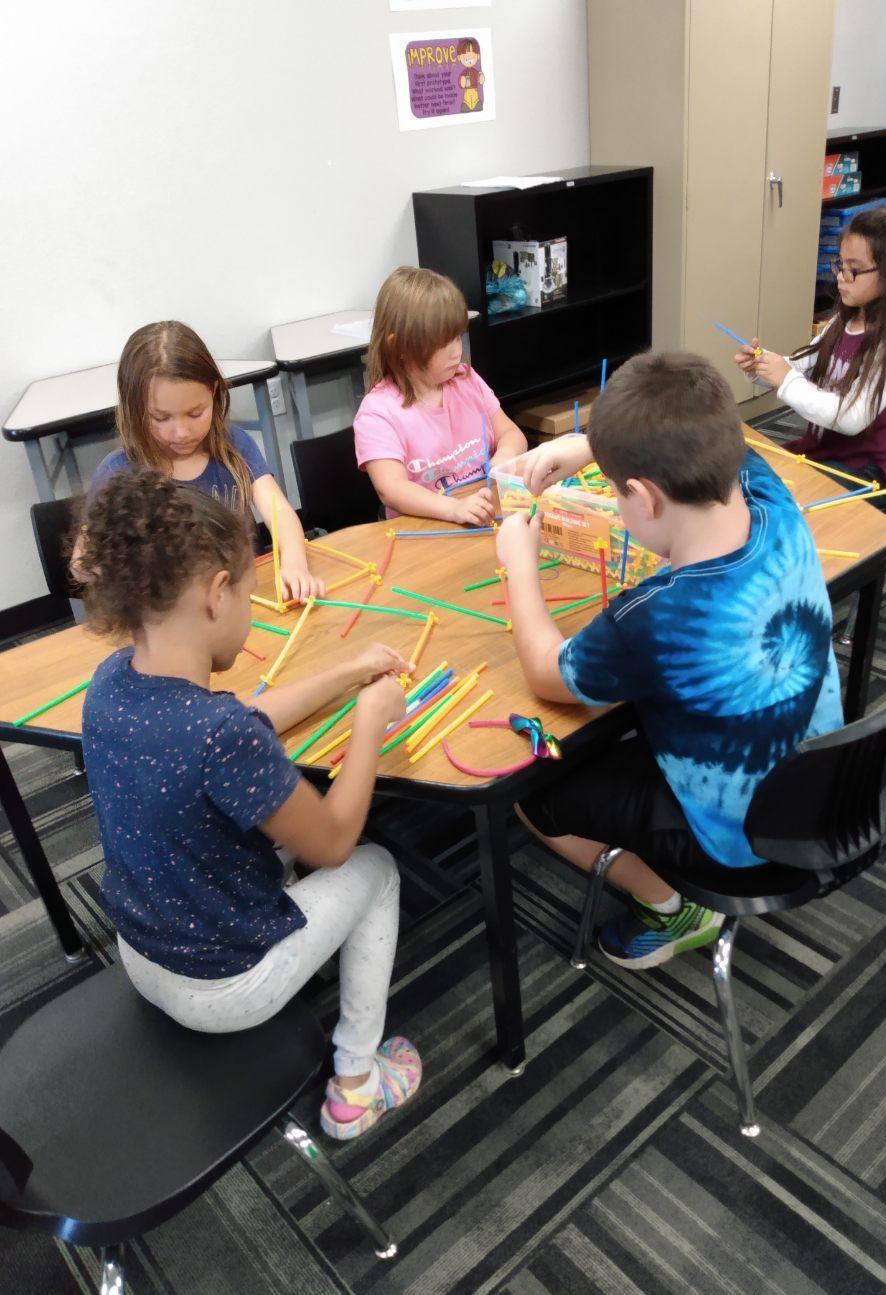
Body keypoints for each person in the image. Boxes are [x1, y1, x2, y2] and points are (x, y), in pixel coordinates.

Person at [76, 468, 420, 1139]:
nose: (251, 612)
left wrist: (346, 674)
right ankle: (355, 1082)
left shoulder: (112, 681)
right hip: (224, 988)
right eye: (250, 596)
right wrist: (368, 722)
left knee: (270, 830)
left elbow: (243, 715)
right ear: (214, 593)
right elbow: (334, 842)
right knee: (375, 867)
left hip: (140, 954)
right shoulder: (219, 736)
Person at [496, 351, 843, 969]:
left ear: (644, 499)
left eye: (614, 491)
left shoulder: (656, 617)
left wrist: (519, 567)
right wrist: (590, 447)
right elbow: (745, 445)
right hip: (823, 791)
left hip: (741, 845)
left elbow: (545, 672)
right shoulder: (775, 506)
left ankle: (672, 905)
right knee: (623, 722)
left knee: (527, 784)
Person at [89, 320, 322, 601]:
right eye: (161, 418)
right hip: (172, 616)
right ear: (134, 407)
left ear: (213, 391)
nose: (182, 432)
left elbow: (279, 511)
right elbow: (87, 561)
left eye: (196, 413)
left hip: (241, 599)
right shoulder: (119, 472)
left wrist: (295, 564)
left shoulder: (233, 445)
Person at [734, 206, 886, 487]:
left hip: (863, 469)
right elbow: (799, 366)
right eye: (840, 264)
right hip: (820, 454)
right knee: (737, 472)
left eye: (854, 270)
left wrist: (785, 379)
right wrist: (764, 365)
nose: (840, 276)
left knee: (770, 494)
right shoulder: (842, 322)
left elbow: (852, 418)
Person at [354, 266, 527, 523]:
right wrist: (453, 509)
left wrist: (504, 458)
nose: (455, 352)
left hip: (483, 515)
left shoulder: (465, 379)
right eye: (441, 344)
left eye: (457, 337)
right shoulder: (378, 412)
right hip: (427, 532)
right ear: (399, 346)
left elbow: (511, 434)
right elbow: (390, 489)